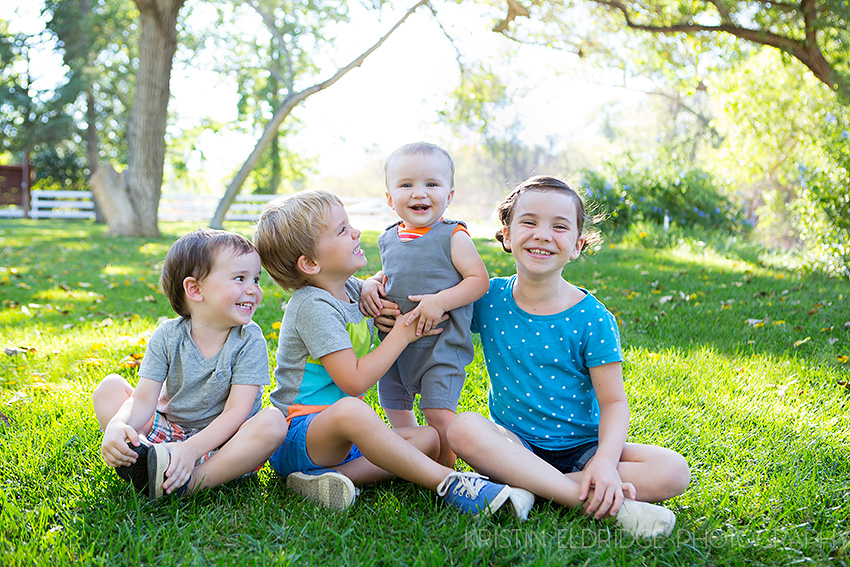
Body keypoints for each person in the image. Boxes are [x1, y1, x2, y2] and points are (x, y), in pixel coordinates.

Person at [445, 176, 691, 536]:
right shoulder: (488, 298)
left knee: (673, 470)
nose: (543, 235)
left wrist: (605, 463)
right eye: (529, 222)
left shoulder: (592, 318)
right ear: (507, 235)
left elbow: (613, 402)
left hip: (583, 448)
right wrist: (373, 284)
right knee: (462, 427)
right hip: (515, 445)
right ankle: (587, 498)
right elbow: (425, 283)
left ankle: (529, 488)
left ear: (577, 245)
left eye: (559, 226)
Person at [253, 189, 517, 515]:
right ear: (309, 263)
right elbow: (354, 382)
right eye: (342, 230)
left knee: (430, 440)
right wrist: (402, 334)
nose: (356, 233)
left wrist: (369, 284)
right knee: (353, 409)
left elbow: (367, 286)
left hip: (342, 444)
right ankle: (451, 483)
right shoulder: (312, 306)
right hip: (300, 434)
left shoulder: (349, 288)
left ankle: (320, 481)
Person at [93, 228, 288, 500]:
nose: (253, 290)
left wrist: (191, 450)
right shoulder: (168, 336)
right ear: (195, 289)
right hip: (169, 433)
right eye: (240, 278)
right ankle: (144, 458)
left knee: (274, 422)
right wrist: (118, 423)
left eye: (256, 279)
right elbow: (143, 398)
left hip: (224, 445)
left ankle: (190, 483)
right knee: (110, 388)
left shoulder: (249, 339)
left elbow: (236, 412)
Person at [359, 142, 489, 467]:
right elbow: (392, 272)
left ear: (450, 195)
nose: (419, 193)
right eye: (407, 185)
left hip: (440, 346)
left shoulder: (453, 236)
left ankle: (447, 474)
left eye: (431, 184)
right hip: (395, 347)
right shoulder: (388, 237)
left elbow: (478, 280)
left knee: (439, 414)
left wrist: (440, 301)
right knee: (394, 406)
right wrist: (372, 283)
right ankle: (416, 459)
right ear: (390, 199)